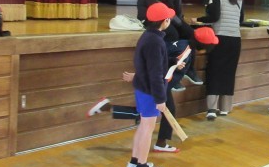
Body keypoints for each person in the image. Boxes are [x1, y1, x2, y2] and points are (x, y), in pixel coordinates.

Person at [87, 27, 220, 153]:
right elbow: (157, 61)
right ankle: (107, 108)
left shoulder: (185, 47)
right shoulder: (183, 50)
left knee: (163, 112)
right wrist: (138, 76)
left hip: (162, 85)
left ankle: (161, 143)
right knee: (144, 115)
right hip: (157, 85)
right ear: (203, 45)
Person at [136, 0, 203, 85]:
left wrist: (181, 22)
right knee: (173, 34)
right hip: (153, 17)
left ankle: (189, 69)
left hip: (168, 17)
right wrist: (176, 22)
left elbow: (177, 5)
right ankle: (170, 72)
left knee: (190, 33)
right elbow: (155, 6)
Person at [129, 2, 174, 167]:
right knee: (148, 129)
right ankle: (142, 165)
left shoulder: (147, 36)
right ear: (164, 21)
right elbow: (156, 73)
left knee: (143, 127)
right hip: (149, 92)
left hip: (141, 88)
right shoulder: (156, 42)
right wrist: (160, 99)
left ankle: (134, 162)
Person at [192, 0, 243, 120]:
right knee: (229, 73)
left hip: (219, 39)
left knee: (214, 71)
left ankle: (212, 109)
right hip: (235, 40)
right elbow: (241, 19)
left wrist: (198, 19)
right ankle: (225, 108)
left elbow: (214, 17)